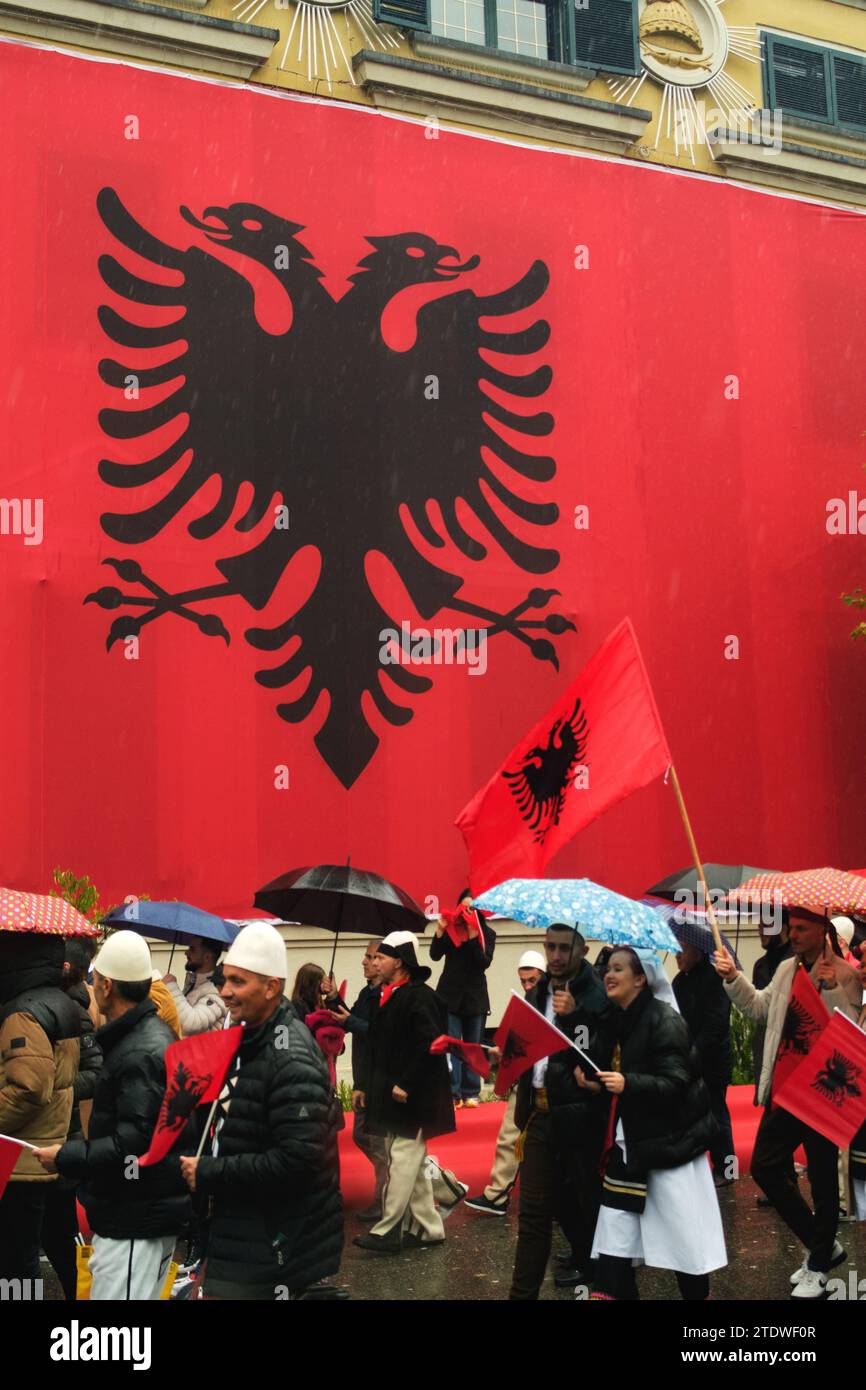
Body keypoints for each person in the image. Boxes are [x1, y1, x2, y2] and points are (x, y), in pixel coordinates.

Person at [181, 921, 343, 1300]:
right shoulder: (252, 1038)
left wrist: (210, 1171)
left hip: (272, 1240)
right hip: (247, 1228)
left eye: (238, 982)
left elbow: (296, 1162)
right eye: (225, 981)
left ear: (272, 987)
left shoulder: (291, 1058)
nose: (225, 992)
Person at [714, 906, 862, 1299]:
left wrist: (832, 990)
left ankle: (817, 1266)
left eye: (801, 928)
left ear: (822, 931)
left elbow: (850, 1038)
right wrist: (733, 978)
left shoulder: (846, 976)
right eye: (791, 928)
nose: (793, 934)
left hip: (821, 1092)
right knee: (764, 1165)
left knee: (823, 1178)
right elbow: (760, 1008)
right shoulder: (786, 968)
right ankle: (822, 1244)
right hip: (784, 1089)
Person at [34, 931, 190, 1300]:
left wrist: (65, 1156)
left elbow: (134, 1145)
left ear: (106, 986)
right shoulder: (149, 1037)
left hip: (135, 1219)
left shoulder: (140, 1050)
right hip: (142, 1214)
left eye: (94, 980)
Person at [575, 946, 725, 1301]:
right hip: (630, 1153)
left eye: (618, 970)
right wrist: (595, 1082)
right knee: (613, 1241)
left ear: (641, 979)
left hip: (671, 1148)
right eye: (607, 969)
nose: (608, 975)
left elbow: (678, 1081)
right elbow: (603, 1065)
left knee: (685, 1250)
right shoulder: (617, 1018)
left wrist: (629, 1083)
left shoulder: (665, 1019)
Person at [509, 924, 608, 1299]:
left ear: (581, 951)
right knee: (534, 1216)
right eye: (550, 946)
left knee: (582, 1208)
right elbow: (525, 1048)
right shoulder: (536, 993)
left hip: (580, 1120)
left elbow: (600, 1059)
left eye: (564, 948)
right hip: (539, 1117)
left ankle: (601, 1280)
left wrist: (575, 1017)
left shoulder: (597, 993)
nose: (555, 955)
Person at [354, 931, 458, 1254]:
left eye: (381, 957)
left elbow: (432, 1045)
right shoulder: (394, 994)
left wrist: (407, 1083)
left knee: (401, 1159)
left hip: (414, 1098)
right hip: (398, 1097)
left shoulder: (419, 997)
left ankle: (388, 1230)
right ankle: (429, 1227)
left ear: (399, 962)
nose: (375, 962)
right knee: (410, 1164)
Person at [0, 930, 83, 1283]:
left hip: (20, 1158)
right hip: (47, 1147)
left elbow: (29, 1087)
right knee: (42, 1249)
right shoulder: (60, 1000)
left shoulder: (22, 1013)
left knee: (17, 1263)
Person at [41, 936, 103, 1301]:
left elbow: (95, 1073)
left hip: (65, 1136)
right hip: (49, 1136)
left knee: (59, 1236)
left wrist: (56, 1088)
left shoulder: (75, 1012)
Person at [465, 949, 546, 1217]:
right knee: (509, 1137)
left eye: (531, 980)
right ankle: (498, 1194)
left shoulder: (558, 1002)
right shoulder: (529, 1003)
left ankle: (501, 1195)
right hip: (527, 1080)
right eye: (523, 980)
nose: (526, 985)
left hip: (550, 1084)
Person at [326, 940, 387, 1223]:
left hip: (378, 1079)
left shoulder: (386, 995)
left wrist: (350, 1021)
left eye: (370, 956)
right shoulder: (367, 992)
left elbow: (379, 1032)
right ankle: (395, 1188)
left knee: (375, 1140)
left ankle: (385, 1199)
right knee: (364, 1136)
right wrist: (332, 997)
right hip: (365, 1078)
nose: (365, 962)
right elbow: (347, 1019)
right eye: (365, 956)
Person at [672, 941, 735, 1187]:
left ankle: (727, 1168)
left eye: (682, 950)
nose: (677, 956)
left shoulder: (714, 979)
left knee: (717, 1113)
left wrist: (695, 1050)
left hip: (713, 1060)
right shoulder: (678, 982)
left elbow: (717, 1023)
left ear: (697, 951)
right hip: (689, 1059)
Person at [430, 889, 496, 1108]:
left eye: (472, 908)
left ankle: (471, 1092)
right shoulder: (452, 930)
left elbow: (483, 963)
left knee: (473, 1045)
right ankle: (453, 1092)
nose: (467, 912)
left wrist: (473, 935)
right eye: (464, 907)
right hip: (450, 996)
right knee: (453, 1045)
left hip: (475, 998)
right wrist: (440, 930)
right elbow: (434, 955)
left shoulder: (488, 934)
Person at [163, 935, 227, 1034]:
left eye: (192, 949)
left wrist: (172, 986)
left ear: (207, 957)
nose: (186, 952)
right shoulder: (195, 983)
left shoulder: (217, 988)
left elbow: (192, 1023)